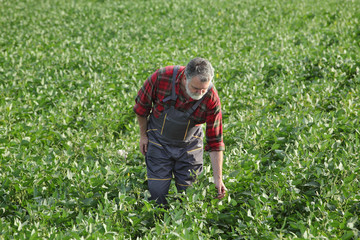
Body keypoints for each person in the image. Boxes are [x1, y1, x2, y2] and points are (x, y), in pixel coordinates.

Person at [133, 57, 227, 205]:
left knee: (190, 196)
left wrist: (218, 179)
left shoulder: (210, 96)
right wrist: (143, 136)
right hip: (159, 141)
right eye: (196, 88)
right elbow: (141, 108)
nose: (200, 93)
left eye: (204, 88)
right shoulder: (162, 77)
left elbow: (215, 141)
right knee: (157, 194)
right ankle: (158, 222)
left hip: (190, 145)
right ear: (185, 78)